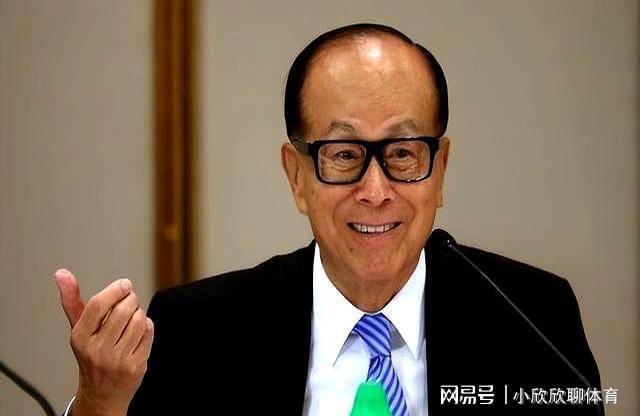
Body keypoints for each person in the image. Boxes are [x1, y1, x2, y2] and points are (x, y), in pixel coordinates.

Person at [55, 23, 603, 415]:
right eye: (343, 155)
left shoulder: (533, 321)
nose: (375, 191)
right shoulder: (199, 332)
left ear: (439, 170)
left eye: (403, 153)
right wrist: (99, 404)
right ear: (296, 175)